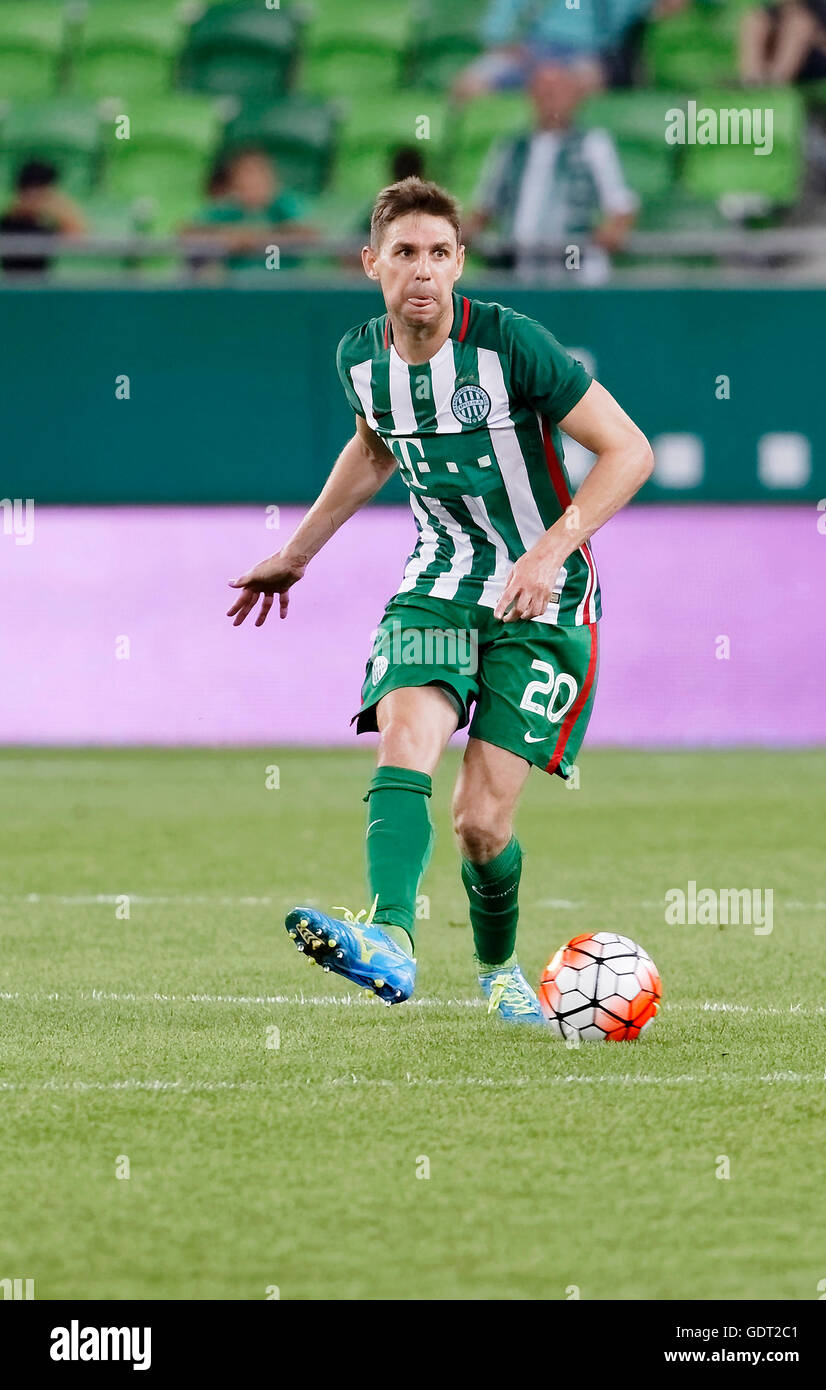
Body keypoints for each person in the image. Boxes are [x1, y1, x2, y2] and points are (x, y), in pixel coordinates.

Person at [226, 177, 653, 1024]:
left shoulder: (510, 344)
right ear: (371, 263)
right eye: (403, 254)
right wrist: (296, 553)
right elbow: (373, 450)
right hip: (436, 586)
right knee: (405, 738)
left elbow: (628, 452)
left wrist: (547, 550)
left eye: (437, 254)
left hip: (546, 600)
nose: (421, 271)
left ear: (458, 262)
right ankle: (389, 935)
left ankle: (497, 969)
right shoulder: (358, 358)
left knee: (480, 827)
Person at [466, 63, 638, 283]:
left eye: (558, 91)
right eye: (544, 92)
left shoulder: (593, 144)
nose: (551, 99)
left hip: (574, 272)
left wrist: (612, 231)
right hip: (518, 269)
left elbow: (621, 207)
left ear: (575, 97)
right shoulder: (511, 148)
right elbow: (485, 207)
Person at [453, 0, 658, 101]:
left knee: (568, 85)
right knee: (469, 84)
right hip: (532, 49)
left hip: (588, 54)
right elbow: (499, 22)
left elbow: (640, 13)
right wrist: (504, 43)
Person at [182, 148, 317, 272]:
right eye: (246, 175)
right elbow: (187, 233)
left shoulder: (284, 204)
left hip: (284, 285)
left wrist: (260, 238)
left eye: (258, 174)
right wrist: (229, 238)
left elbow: (311, 232)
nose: (252, 181)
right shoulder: (227, 209)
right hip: (237, 288)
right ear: (234, 182)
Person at [0, 160, 87, 278]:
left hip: (44, 287)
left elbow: (81, 241)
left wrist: (60, 212)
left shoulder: (50, 222)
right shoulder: (8, 220)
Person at [739, 0, 826, 84]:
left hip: (813, 64)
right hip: (770, 66)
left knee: (798, 23)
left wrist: (813, 36)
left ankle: (777, 80)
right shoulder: (772, 11)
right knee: (756, 21)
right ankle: (752, 77)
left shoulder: (821, 8)